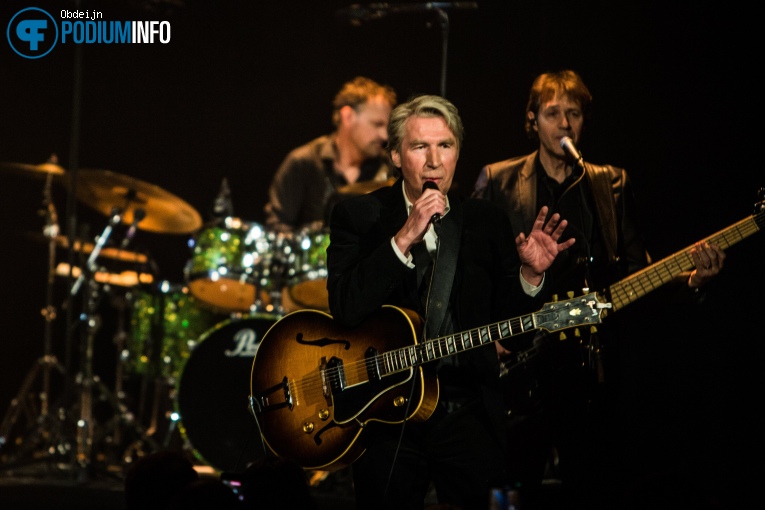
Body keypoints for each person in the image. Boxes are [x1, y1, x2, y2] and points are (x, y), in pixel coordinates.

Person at [472, 69, 726, 508]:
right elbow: (472, 273)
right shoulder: (498, 180)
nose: (565, 124)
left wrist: (692, 280)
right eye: (552, 113)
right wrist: (489, 339)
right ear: (532, 120)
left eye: (573, 113)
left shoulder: (609, 182)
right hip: (522, 365)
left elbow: (636, 270)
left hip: (592, 369)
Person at [326, 94, 576, 510]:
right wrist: (404, 236)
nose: (434, 161)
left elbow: (511, 333)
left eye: (445, 146)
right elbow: (346, 307)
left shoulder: (487, 222)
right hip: (387, 415)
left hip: (469, 410)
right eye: (419, 146)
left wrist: (531, 276)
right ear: (394, 155)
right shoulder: (358, 216)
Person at [264, 76, 398, 233]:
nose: (385, 136)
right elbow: (278, 227)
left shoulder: (390, 167)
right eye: (377, 124)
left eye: (386, 126)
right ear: (348, 116)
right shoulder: (303, 162)